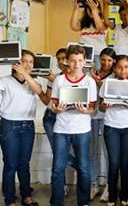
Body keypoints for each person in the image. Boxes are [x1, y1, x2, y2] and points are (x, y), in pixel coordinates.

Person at [50, 45, 97, 206]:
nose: (76, 64)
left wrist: (85, 111)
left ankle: (83, 202)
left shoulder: (89, 82)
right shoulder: (59, 80)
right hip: (61, 130)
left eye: (79, 61)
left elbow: (92, 108)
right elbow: (53, 105)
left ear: (84, 62)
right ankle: (57, 202)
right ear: (67, 62)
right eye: (73, 61)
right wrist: (57, 109)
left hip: (82, 130)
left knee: (84, 169)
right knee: (57, 169)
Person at [0, 50, 42, 206]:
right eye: (24, 61)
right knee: (10, 164)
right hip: (9, 125)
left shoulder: (33, 82)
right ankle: (10, 199)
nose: (28, 65)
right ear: (16, 63)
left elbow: (39, 91)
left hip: (27, 126)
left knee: (24, 163)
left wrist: (27, 75)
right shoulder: (4, 81)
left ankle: (26, 196)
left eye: (31, 62)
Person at [99, 55, 128, 206]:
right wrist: (106, 105)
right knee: (114, 163)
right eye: (120, 67)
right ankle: (111, 197)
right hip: (111, 127)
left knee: (125, 162)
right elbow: (101, 107)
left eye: (126, 67)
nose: (123, 70)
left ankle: (124, 197)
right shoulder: (108, 83)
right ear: (115, 68)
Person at [39, 48, 77, 196]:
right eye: (58, 59)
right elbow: (47, 101)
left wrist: (54, 80)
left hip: (68, 118)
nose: (61, 62)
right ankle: (61, 186)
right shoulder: (53, 78)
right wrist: (38, 89)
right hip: (50, 117)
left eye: (63, 58)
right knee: (58, 153)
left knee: (60, 154)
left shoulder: (74, 77)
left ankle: (81, 169)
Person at [89, 47, 116, 200]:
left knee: (108, 153)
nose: (106, 63)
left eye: (109, 60)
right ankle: (93, 184)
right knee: (91, 152)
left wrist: (98, 83)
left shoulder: (115, 77)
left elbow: (109, 94)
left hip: (107, 117)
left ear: (114, 62)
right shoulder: (92, 73)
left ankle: (109, 187)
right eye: (103, 59)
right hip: (91, 117)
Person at [70, 0, 109, 65]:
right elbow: (73, 26)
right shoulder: (84, 23)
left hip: (99, 54)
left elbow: (100, 28)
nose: (91, 10)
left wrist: (94, 10)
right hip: (84, 55)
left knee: (98, 74)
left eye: (94, 8)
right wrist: (76, 9)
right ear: (86, 10)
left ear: (99, 10)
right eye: (89, 8)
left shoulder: (103, 21)